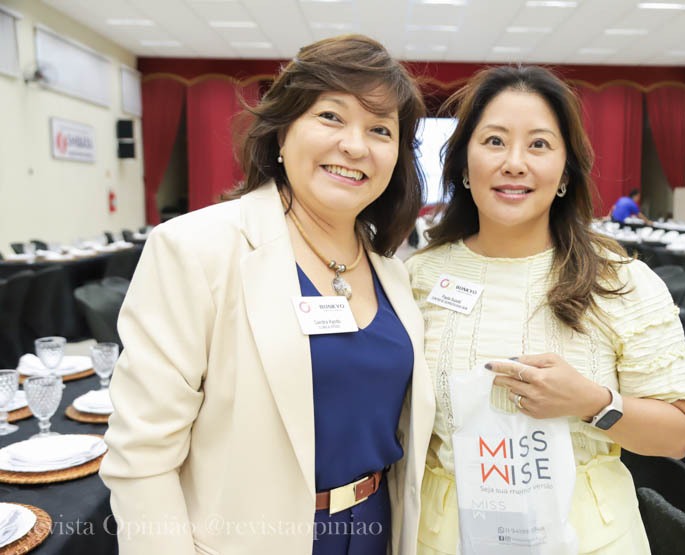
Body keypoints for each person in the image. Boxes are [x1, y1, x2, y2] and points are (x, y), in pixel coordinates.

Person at [100, 35, 435, 555]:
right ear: (282, 131)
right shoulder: (197, 248)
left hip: (377, 529)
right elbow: (141, 457)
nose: (355, 145)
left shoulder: (393, 271)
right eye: (331, 116)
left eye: (380, 129)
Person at [405, 66, 685, 554]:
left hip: (589, 539)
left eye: (539, 144)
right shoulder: (419, 277)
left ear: (566, 172)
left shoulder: (619, 280)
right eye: (495, 141)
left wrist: (592, 402)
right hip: (442, 538)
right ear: (463, 164)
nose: (514, 163)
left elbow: (678, 436)